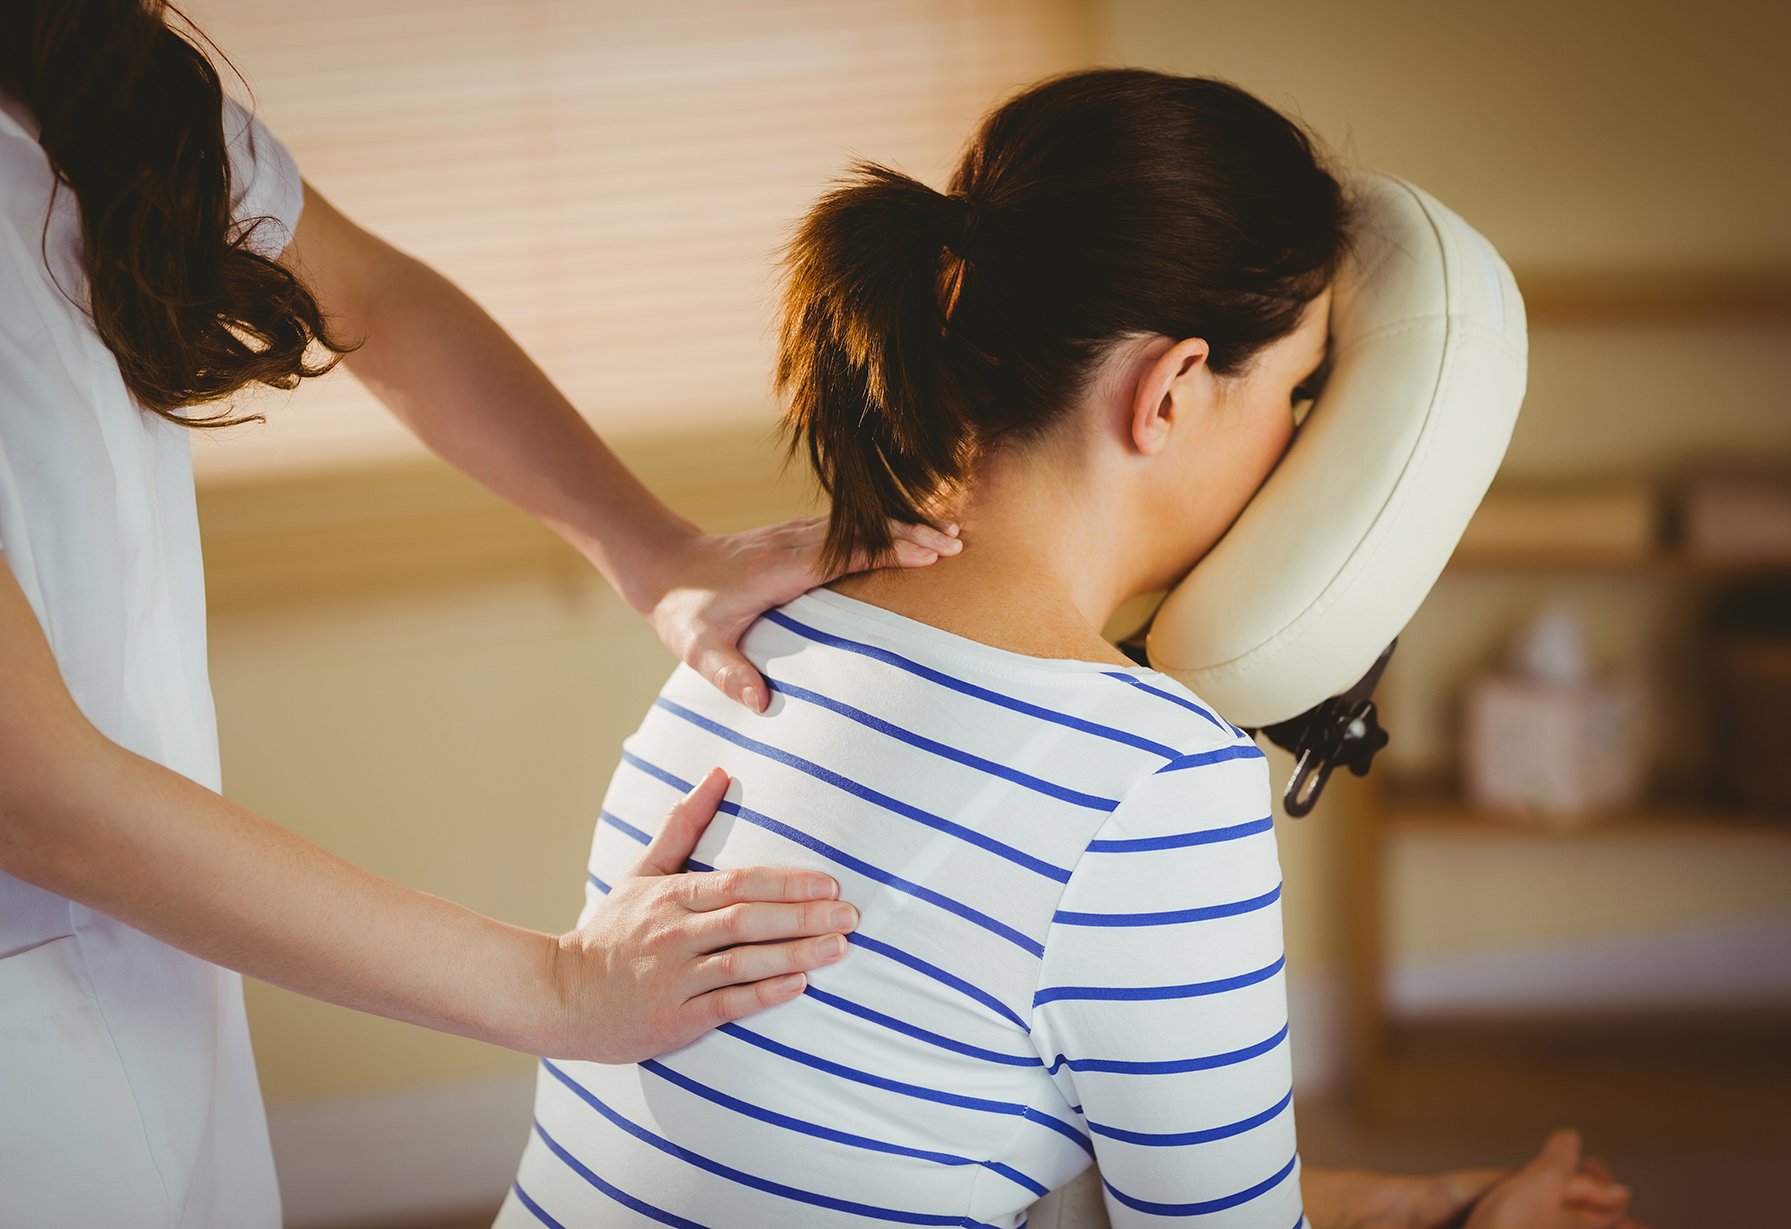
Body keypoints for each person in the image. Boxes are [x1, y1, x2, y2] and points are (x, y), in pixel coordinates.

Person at [496, 68, 1645, 1229]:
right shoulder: (1151, 777)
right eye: (1295, 395)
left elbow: (944, 1139)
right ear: (1172, 391)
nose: (1294, 445)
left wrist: (1420, 1205)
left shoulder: (754, 632)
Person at [0, 3, 960, 1226]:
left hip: (149, 1001)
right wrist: (559, 986)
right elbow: (33, 791)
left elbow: (376, 296)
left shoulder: (98, 87)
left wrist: (653, 546)